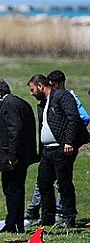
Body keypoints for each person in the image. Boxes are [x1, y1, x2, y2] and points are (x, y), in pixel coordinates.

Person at [25, 69, 90, 220]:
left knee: (64, 183)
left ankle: (68, 216)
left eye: (32, 89)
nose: (31, 93)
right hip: (47, 150)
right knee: (43, 183)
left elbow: (74, 118)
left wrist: (69, 141)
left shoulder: (63, 96)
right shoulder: (45, 102)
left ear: (40, 85)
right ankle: (47, 217)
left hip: (62, 148)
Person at [0, 78, 37, 233]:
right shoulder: (19, 103)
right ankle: (15, 223)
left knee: (12, 190)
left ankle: (13, 225)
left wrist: (12, 156)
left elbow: (14, 131)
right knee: (16, 190)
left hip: (13, 158)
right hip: (22, 156)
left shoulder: (9, 105)